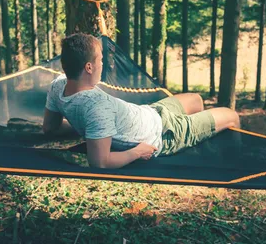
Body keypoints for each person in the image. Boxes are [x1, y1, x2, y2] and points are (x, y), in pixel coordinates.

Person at [43, 33, 240, 169]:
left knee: (196, 99)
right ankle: (234, 166)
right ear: (88, 67)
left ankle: (200, 143)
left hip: (150, 112)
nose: (103, 64)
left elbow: (50, 128)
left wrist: (87, 128)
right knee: (231, 115)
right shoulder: (97, 109)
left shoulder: (58, 85)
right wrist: (137, 152)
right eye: (100, 60)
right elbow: (100, 163)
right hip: (165, 134)